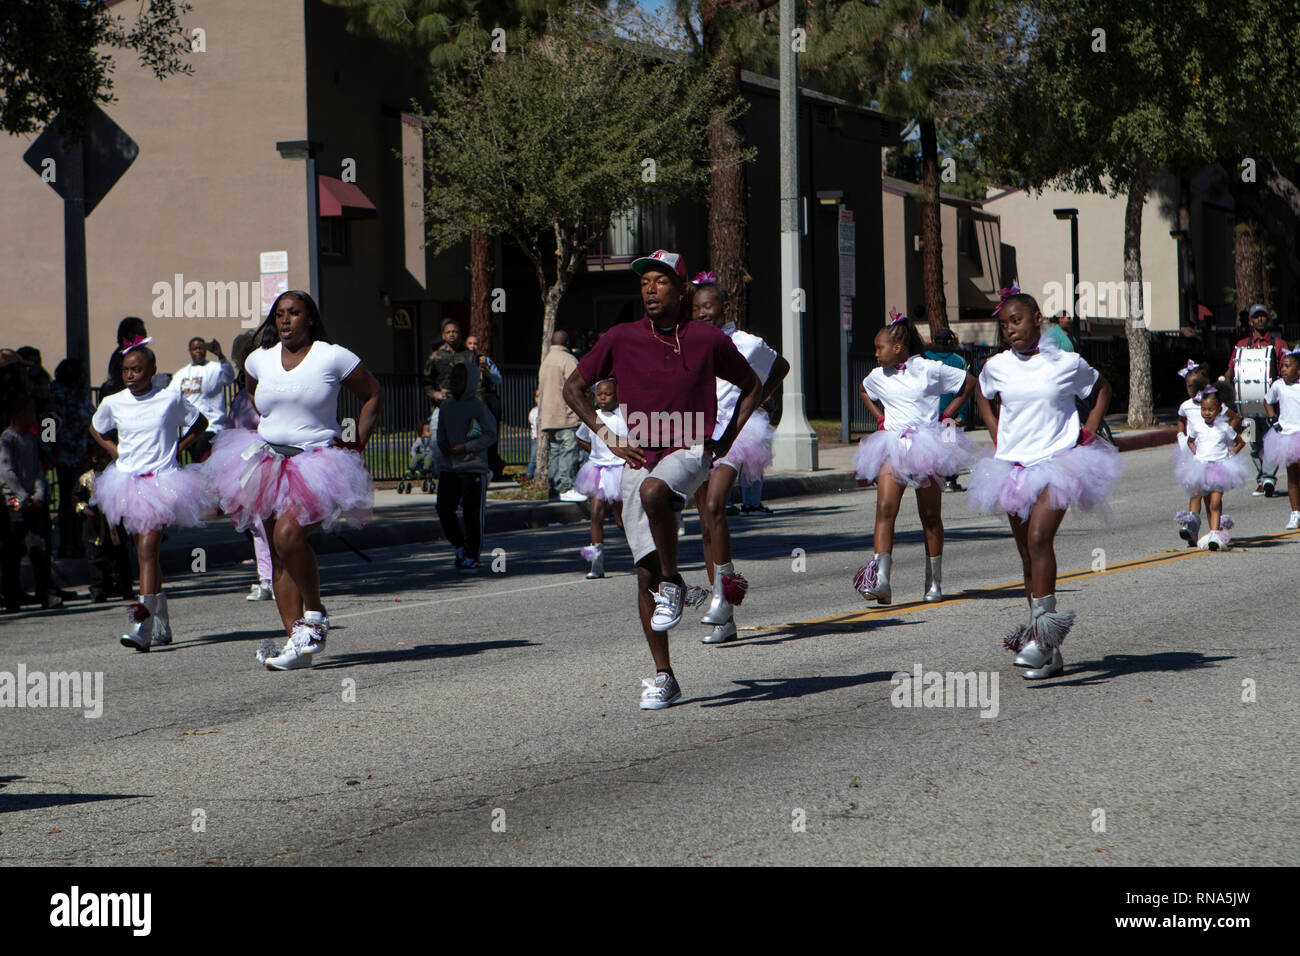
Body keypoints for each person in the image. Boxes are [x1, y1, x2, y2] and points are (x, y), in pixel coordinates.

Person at [563, 248, 760, 710]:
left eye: (661, 281)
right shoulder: (621, 336)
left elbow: (753, 384)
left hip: (690, 446)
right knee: (643, 571)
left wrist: (727, 435)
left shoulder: (707, 339)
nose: (650, 289)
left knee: (656, 492)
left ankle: (675, 582)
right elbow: (573, 388)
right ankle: (665, 676)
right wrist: (605, 433)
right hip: (636, 448)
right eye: (644, 282)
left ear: (682, 289)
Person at [206, 290, 383, 670]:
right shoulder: (259, 360)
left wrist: (359, 440)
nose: (285, 320)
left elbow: (371, 394)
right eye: (280, 314)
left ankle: (315, 616)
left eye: (294, 313)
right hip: (268, 462)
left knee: (289, 536)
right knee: (277, 553)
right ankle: (295, 642)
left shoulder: (332, 356)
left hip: (317, 464)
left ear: (310, 319)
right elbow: (253, 394)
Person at [968, 287, 1121, 680]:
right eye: (1004, 326)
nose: (1010, 331)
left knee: (1039, 539)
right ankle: (1047, 648)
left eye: (1016, 321)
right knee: (1025, 556)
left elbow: (1102, 389)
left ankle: (1044, 642)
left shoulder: (1066, 363)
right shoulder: (998, 365)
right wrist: (993, 427)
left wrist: (1087, 431)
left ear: (1038, 320)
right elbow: (981, 392)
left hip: (1059, 462)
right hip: (1013, 467)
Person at [89, 343, 213, 648]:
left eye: (137, 369)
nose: (130, 375)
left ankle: (141, 625)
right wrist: (114, 451)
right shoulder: (113, 402)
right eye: (126, 370)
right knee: (146, 555)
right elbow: (96, 428)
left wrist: (179, 448)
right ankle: (162, 622)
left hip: (163, 483)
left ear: (152, 371)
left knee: (147, 550)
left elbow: (200, 422)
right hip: (127, 484)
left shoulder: (169, 398)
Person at [690, 273, 789, 644]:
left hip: (736, 432)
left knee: (716, 505)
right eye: (696, 309)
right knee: (704, 521)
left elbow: (780, 368)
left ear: (725, 309)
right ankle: (724, 617)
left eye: (709, 308)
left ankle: (721, 596)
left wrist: (757, 402)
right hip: (698, 432)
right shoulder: (690, 343)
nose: (702, 315)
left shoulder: (748, 344)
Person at [852, 309, 976, 606]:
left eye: (879, 348)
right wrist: (879, 419)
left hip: (925, 445)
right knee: (885, 509)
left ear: (897, 347)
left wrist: (947, 414)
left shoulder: (928, 369)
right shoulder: (877, 376)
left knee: (930, 516)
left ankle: (933, 580)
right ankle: (881, 580)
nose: (876, 354)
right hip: (892, 445)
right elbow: (863, 390)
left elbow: (969, 382)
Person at [1, 393, 61, 610]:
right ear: (17, 415)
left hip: (33, 503)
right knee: (13, 551)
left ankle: (46, 592)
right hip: (15, 504)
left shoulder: (31, 439)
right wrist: (23, 497)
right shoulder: (6, 439)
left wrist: (38, 495)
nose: (34, 416)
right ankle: (12, 595)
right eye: (29, 412)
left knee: (39, 547)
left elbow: (37, 470)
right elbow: (6, 472)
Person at [435, 362, 497, 573]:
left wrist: (467, 447)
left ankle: (472, 555)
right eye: (453, 378)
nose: (455, 382)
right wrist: (443, 445)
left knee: (472, 514)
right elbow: (440, 431)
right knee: (444, 508)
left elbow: (491, 434)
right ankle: (459, 545)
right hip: (449, 467)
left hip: (473, 468)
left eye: (460, 378)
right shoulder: (445, 406)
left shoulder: (478, 406)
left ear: (470, 381)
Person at [228, 333, 274, 602]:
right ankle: (266, 578)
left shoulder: (270, 391)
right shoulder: (242, 397)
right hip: (247, 463)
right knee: (257, 524)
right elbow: (232, 427)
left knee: (273, 521)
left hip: (272, 458)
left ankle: (280, 575)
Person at [1172, 387, 1248, 550]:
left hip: (1219, 468)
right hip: (1200, 467)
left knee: (1215, 502)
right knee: (1198, 496)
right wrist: (1196, 453)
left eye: (1210, 410)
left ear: (1219, 410)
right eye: (1203, 409)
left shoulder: (1224, 428)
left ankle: (1215, 533)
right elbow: (1190, 441)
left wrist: (1231, 454)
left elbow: (1240, 442)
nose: (1206, 413)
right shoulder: (1197, 427)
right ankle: (1193, 526)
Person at [1226, 304, 1288, 496]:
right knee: (1253, 442)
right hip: (1247, 404)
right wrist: (1224, 384)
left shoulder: (1279, 345)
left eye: (1263, 316)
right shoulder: (1242, 345)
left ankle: (1269, 478)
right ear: (1251, 321)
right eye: (1256, 317)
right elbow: (1232, 369)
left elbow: (1289, 368)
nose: (1260, 319)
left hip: (1272, 404)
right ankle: (1262, 478)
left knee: (1271, 441)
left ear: (1268, 319)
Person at [574, 379, 628, 579]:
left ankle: (643, 553)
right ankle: (596, 562)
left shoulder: (625, 416)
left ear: (617, 395)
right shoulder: (593, 417)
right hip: (597, 469)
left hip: (619, 469)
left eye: (608, 394)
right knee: (596, 513)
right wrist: (595, 451)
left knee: (622, 520)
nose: (603, 398)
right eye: (599, 395)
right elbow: (581, 437)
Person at [75, 443, 133, 603]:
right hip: (95, 527)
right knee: (96, 559)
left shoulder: (119, 476)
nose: (108, 461)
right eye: (104, 457)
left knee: (122, 557)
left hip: (115, 525)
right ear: (95, 458)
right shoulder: (86, 479)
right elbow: (77, 499)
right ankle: (99, 590)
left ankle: (125, 587)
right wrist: (84, 509)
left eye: (110, 457)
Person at [49, 358, 95, 558]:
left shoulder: (81, 394)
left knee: (82, 500)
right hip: (67, 456)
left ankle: (81, 542)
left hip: (83, 454)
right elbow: (52, 427)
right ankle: (68, 544)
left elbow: (90, 417)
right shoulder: (58, 394)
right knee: (69, 501)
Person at [166, 337, 235, 461]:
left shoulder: (215, 368)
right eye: (194, 348)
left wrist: (220, 355)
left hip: (212, 427)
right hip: (191, 430)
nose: (198, 351)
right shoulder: (181, 374)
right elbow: (170, 395)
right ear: (190, 351)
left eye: (201, 348)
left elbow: (229, 377)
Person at [923, 327, 972, 492]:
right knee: (950, 448)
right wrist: (962, 413)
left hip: (929, 412)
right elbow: (963, 389)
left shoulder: (925, 359)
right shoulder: (958, 361)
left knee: (930, 447)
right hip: (950, 413)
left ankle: (934, 480)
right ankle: (950, 480)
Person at [538, 330, 584, 502]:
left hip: (549, 416)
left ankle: (554, 489)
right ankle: (566, 486)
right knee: (568, 450)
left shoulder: (546, 360)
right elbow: (577, 386)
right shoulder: (568, 360)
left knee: (555, 452)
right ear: (567, 342)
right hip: (565, 415)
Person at [1262, 347, 1300, 529]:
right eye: (1282, 367)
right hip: (1287, 435)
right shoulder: (1278, 385)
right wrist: (1272, 418)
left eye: (1287, 366)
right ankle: (1295, 513)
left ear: (1298, 370)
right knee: (1292, 476)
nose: (1283, 369)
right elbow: (1268, 400)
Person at [465, 333, 505, 480]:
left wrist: (486, 371)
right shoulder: (461, 359)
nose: (473, 347)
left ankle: (491, 466)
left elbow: (498, 379)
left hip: (487, 399)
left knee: (490, 434)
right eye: (470, 343)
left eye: (475, 344)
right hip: (470, 400)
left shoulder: (484, 360)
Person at [423, 319, 474, 409]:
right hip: (442, 405)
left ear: (460, 334)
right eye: (448, 332)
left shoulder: (469, 355)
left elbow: (477, 381)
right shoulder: (435, 356)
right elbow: (427, 382)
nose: (451, 334)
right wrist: (434, 393)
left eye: (455, 332)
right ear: (443, 336)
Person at [526, 389, 540, 480]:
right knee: (533, 457)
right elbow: (532, 422)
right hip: (536, 438)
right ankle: (529, 475)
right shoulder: (533, 412)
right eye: (537, 396)